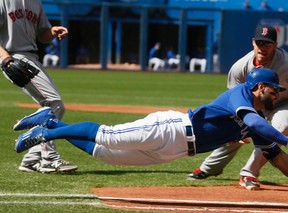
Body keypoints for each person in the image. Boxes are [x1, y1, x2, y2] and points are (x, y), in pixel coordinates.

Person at [14, 68, 288, 179]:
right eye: (274, 90)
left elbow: (276, 157)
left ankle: (49, 121)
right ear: (260, 87)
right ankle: (46, 130)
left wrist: (280, 148)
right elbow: (254, 121)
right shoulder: (240, 96)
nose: (277, 96)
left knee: (108, 154)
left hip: (178, 150)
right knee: (109, 136)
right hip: (173, 128)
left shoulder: (258, 120)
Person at [188, 25, 288, 190]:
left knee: (282, 126)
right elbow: (234, 100)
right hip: (254, 106)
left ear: (276, 45)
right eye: (260, 43)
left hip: (283, 103)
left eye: (268, 44)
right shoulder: (240, 67)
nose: (263, 47)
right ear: (253, 43)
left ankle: (249, 173)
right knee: (235, 133)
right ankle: (208, 168)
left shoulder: (286, 63)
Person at [0, 0, 77, 173]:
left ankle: (32, 158)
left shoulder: (35, 2)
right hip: (15, 57)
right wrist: (5, 59)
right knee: (53, 103)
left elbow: (42, 35)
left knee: (53, 105)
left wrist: (52, 31)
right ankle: (48, 158)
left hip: (32, 57)